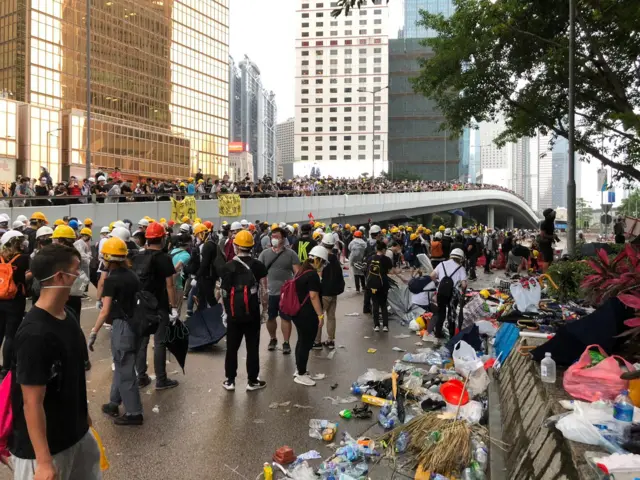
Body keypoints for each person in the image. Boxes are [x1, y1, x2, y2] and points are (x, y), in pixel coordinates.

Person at [11, 244, 101, 479]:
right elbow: (31, 402)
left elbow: (73, 374)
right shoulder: (34, 334)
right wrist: (43, 462)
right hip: (46, 452)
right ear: (60, 276)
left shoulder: (66, 315)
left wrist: (83, 416)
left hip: (77, 435)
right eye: (76, 270)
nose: (81, 276)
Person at [87, 237, 144, 426]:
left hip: (122, 326)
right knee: (121, 364)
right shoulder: (132, 275)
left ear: (107, 258)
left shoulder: (112, 280)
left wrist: (94, 332)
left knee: (125, 368)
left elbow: (105, 310)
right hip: (135, 325)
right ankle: (114, 402)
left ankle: (134, 412)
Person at [133, 222, 179, 390]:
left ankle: (141, 376)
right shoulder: (164, 258)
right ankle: (161, 379)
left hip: (141, 305)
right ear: (162, 237)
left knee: (142, 342)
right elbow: (170, 285)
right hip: (159, 305)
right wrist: (173, 306)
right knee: (159, 342)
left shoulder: (138, 256)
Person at [220, 230, 268, 391]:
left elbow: (223, 292)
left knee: (232, 347)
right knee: (252, 347)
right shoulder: (258, 266)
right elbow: (264, 290)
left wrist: (225, 311)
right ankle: (252, 380)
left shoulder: (228, 266)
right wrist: (264, 311)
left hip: (233, 313)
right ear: (252, 247)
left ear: (236, 246)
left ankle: (230, 380)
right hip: (252, 312)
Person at [258, 227, 301, 355]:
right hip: (269, 292)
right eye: (273, 237)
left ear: (283, 239)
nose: (274, 239)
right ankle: (273, 338)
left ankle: (286, 342)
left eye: (277, 237)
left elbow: (297, 273)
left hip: (285, 293)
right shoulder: (264, 254)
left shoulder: (291, 254)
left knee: (285, 318)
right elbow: (258, 272)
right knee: (270, 317)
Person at [291, 246, 327, 387]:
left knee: (301, 341)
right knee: (305, 344)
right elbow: (313, 296)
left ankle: (300, 370)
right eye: (322, 262)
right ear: (317, 260)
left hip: (298, 313)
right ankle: (301, 374)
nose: (322, 265)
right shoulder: (312, 275)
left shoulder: (301, 271)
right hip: (307, 314)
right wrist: (320, 315)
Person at [0, 231, 31, 377]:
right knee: (11, 334)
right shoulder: (24, 259)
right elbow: (29, 276)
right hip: (15, 300)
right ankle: (7, 367)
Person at [314, 234, 345, 350]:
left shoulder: (322, 259)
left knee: (319, 316)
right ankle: (330, 340)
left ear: (323, 243)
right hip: (334, 293)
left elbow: (319, 275)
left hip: (324, 293)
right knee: (331, 317)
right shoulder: (335, 259)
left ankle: (317, 341)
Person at [430, 248, 467, 339]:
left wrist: (437, 284)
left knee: (440, 312)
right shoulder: (461, 268)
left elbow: (432, 276)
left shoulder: (441, 264)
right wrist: (463, 291)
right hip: (453, 295)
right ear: (461, 258)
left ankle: (438, 333)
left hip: (441, 292)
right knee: (451, 313)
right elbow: (464, 284)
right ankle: (451, 334)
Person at [366, 240, 394, 332]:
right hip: (383, 284)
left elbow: (367, 270)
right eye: (385, 249)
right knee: (383, 305)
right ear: (382, 249)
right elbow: (390, 271)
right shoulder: (386, 259)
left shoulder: (370, 258)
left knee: (375, 304)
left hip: (372, 284)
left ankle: (376, 326)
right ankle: (385, 326)